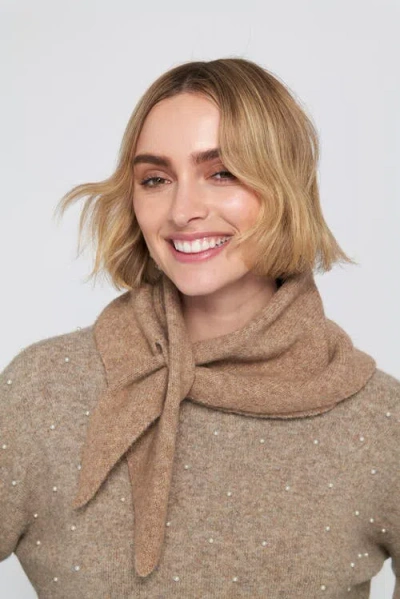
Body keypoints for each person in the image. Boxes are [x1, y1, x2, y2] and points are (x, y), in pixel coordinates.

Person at [0, 57, 399, 599]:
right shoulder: (44, 391)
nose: (182, 210)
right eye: (156, 179)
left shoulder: (379, 423)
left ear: (286, 185)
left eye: (222, 172)